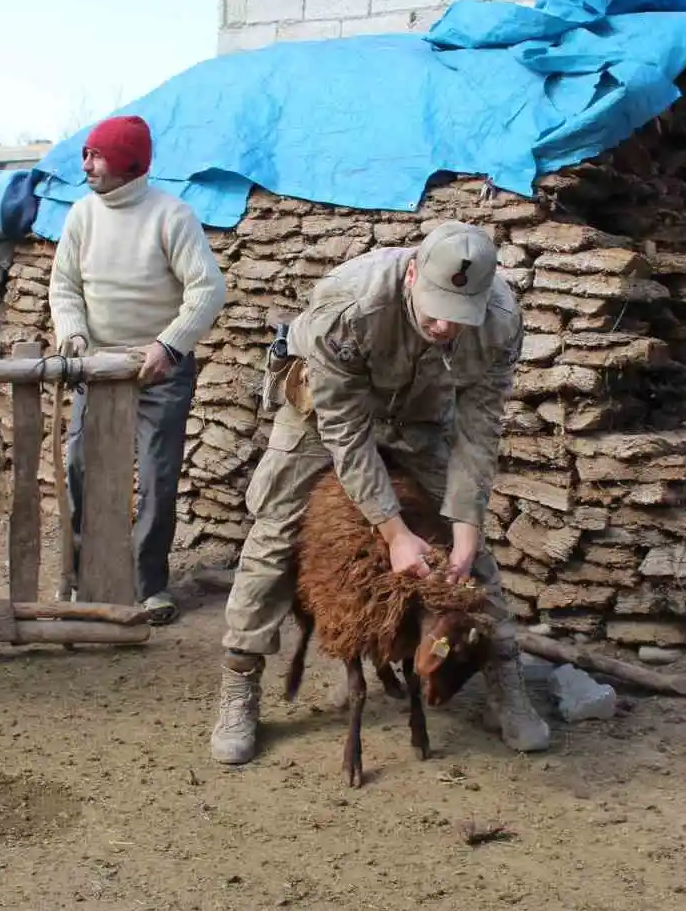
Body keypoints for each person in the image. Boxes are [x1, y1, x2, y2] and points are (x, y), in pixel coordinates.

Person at [209, 220, 552, 766]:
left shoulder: (500, 324)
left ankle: (504, 677)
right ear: (412, 273)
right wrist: (393, 532)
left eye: (458, 316)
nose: (444, 326)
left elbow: (479, 426)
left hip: (418, 417)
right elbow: (345, 433)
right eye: (434, 308)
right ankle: (241, 679)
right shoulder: (347, 307)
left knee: (468, 556)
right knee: (276, 532)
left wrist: (465, 525)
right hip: (322, 417)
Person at [48, 115, 226, 624]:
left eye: (97, 155)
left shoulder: (172, 216)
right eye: (85, 154)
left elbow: (207, 288)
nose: (87, 164)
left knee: (156, 475)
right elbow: (64, 288)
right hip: (98, 365)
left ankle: (150, 584)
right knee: (82, 465)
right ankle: (88, 577)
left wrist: (169, 346)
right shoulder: (82, 215)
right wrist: (75, 339)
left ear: (128, 161)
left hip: (158, 368)